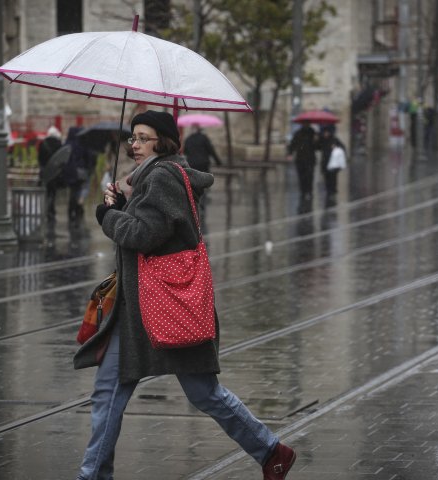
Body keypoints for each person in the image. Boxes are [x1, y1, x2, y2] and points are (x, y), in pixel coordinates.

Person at [73, 110, 296, 480]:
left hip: (165, 305)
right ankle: (93, 475)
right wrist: (119, 207)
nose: (135, 145)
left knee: (203, 393)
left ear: (164, 142)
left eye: (144, 138)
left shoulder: (163, 178)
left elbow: (146, 235)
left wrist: (106, 216)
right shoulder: (151, 179)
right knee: (109, 392)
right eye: (133, 138)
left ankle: (272, 450)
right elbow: (152, 229)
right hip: (140, 309)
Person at [184, 125, 223, 221]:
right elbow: (211, 150)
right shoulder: (204, 138)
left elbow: (185, 151)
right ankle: (202, 203)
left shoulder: (188, 139)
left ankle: (194, 203)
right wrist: (218, 161)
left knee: (193, 184)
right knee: (203, 184)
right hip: (203, 164)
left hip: (192, 164)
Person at [38, 126, 63, 225]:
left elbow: (39, 158)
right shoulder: (59, 144)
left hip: (45, 171)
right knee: (53, 192)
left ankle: (48, 209)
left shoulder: (42, 144)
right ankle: (51, 210)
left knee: (47, 191)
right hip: (55, 172)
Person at [288, 120, 318, 202]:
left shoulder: (313, 133)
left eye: (307, 123)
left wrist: (316, 140)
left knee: (309, 176)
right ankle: (303, 192)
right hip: (300, 159)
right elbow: (292, 144)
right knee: (301, 176)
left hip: (310, 159)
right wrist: (290, 153)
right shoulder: (298, 133)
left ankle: (309, 191)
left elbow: (317, 147)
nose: (306, 125)